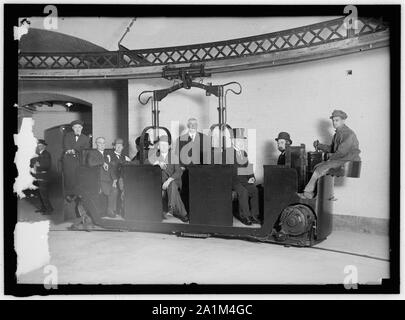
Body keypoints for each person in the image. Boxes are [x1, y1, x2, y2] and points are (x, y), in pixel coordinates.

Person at [298, 110, 361, 199]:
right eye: (333, 120)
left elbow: (341, 152)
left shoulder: (348, 133)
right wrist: (320, 146)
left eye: (337, 120)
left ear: (343, 121)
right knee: (317, 167)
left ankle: (308, 193)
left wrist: (327, 156)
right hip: (342, 158)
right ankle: (316, 195)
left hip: (348, 159)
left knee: (320, 168)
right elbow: (333, 149)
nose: (334, 123)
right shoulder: (338, 133)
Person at [148, 135, 189, 223]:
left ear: (169, 146)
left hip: (172, 182)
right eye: (161, 144)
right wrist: (157, 163)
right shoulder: (154, 156)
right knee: (173, 191)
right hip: (159, 184)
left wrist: (168, 180)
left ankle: (170, 208)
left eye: (165, 145)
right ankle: (183, 214)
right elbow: (146, 163)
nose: (163, 146)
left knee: (172, 184)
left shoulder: (174, 157)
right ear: (158, 146)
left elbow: (178, 172)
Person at [230, 128, 260, 225]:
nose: (241, 142)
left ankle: (254, 215)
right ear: (232, 141)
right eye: (238, 140)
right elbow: (233, 172)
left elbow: (248, 167)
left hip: (243, 180)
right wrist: (246, 181)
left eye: (242, 140)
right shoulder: (227, 153)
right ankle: (245, 216)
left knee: (255, 190)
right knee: (243, 191)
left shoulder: (243, 153)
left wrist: (252, 177)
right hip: (233, 181)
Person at [87, 137, 119, 217]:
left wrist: (115, 179)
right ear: (96, 144)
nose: (102, 145)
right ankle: (109, 211)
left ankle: (110, 210)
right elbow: (91, 163)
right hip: (99, 179)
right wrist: (102, 163)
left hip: (109, 179)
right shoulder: (92, 153)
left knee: (115, 190)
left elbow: (111, 168)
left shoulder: (107, 154)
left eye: (103, 143)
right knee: (110, 191)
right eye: (100, 143)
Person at [62, 120, 90, 200]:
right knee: (69, 178)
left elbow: (85, 149)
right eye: (75, 127)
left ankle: (78, 194)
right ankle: (69, 194)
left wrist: (74, 150)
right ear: (72, 128)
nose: (77, 129)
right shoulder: (68, 135)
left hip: (79, 160)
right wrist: (71, 150)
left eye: (79, 127)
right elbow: (66, 146)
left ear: (82, 128)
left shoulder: (85, 138)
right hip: (69, 160)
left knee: (78, 178)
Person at [30, 139, 54, 214]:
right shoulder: (40, 154)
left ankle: (49, 209)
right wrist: (34, 165)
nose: (39, 147)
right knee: (40, 194)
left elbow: (47, 166)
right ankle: (43, 208)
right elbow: (37, 163)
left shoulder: (46, 154)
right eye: (38, 145)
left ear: (44, 146)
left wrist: (38, 165)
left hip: (43, 177)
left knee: (44, 195)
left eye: (41, 145)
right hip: (39, 176)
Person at [109, 138, 131, 215]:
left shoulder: (125, 158)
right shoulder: (109, 156)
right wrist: (114, 180)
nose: (118, 147)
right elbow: (109, 170)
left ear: (123, 147)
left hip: (122, 180)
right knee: (118, 190)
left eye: (120, 146)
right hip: (113, 180)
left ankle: (124, 210)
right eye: (117, 145)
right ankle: (116, 210)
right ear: (114, 147)